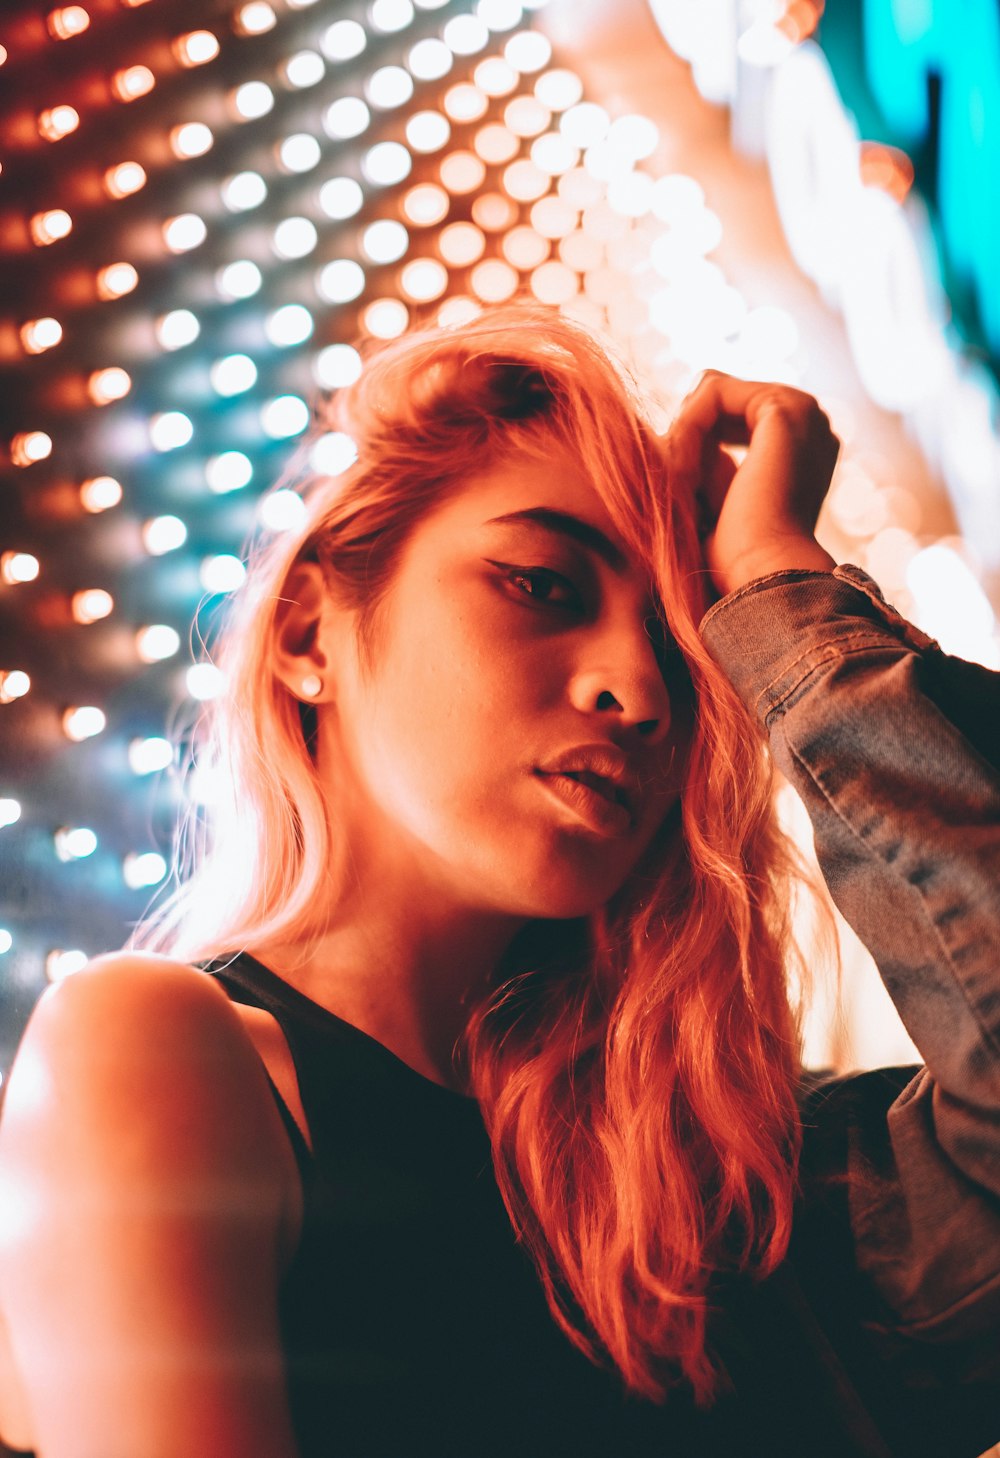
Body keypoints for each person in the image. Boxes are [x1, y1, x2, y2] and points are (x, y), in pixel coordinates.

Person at [0, 305, 996, 1458]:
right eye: (542, 585)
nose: (640, 687)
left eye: (683, 645)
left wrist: (777, 586)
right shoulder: (164, 1053)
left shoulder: (734, 1191)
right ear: (311, 634)